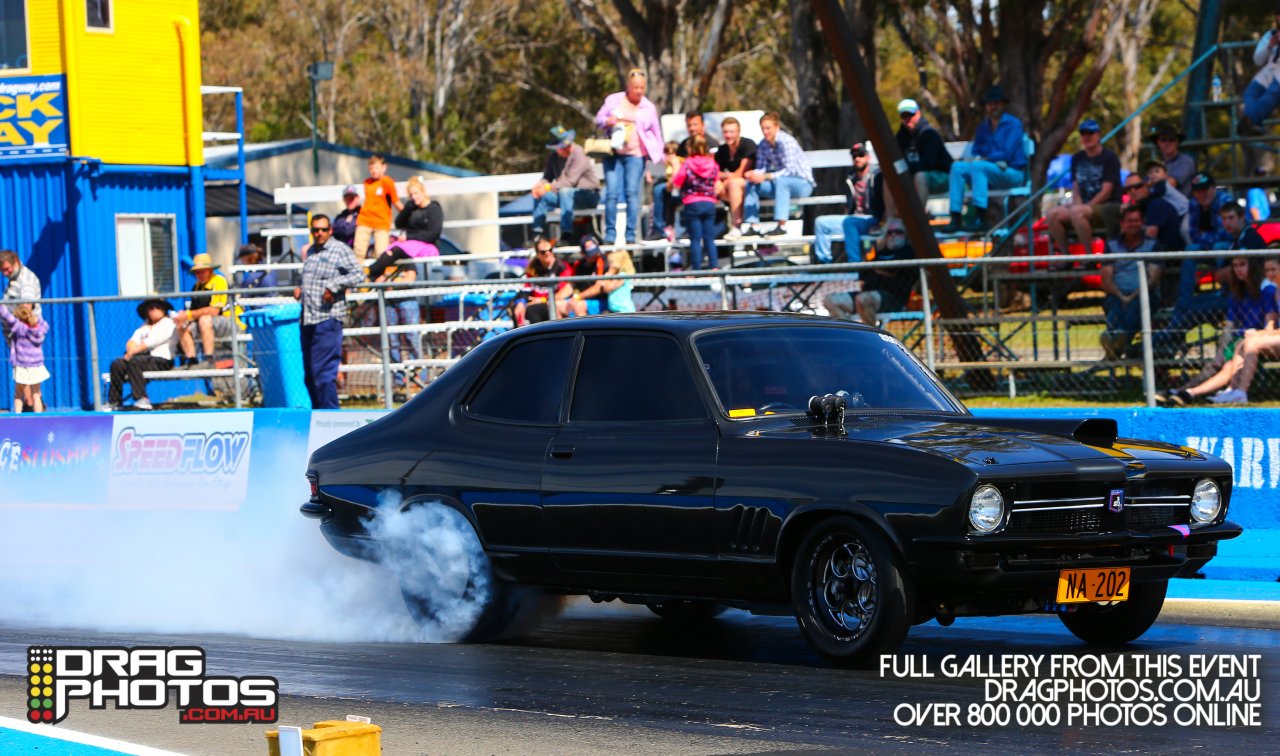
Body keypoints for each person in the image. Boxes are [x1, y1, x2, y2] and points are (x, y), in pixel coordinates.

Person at [1161, 255, 1277, 406]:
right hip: (1240, 340)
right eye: (1235, 266)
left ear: (1254, 267)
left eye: (1242, 264)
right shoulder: (1237, 293)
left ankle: (1190, 393)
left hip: (1256, 340)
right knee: (1214, 364)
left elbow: (1270, 324)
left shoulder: (1267, 290)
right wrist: (1221, 350)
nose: (1238, 270)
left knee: (1228, 367)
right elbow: (1229, 326)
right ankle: (1181, 391)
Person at [1156, 198, 1260, 359]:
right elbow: (1220, 276)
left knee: (1191, 312)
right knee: (1185, 304)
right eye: (1224, 219)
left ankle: (1154, 344)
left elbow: (1242, 274)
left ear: (1242, 218)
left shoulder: (1250, 238)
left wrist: (1229, 272)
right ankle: (1165, 345)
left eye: (1231, 218)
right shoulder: (1235, 242)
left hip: (1243, 299)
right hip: (1229, 295)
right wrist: (1229, 272)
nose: (1227, 223)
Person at [293, 214, 365, 409]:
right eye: (315, 230)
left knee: (323, 374)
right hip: (308, 318)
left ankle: (330, 417)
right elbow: (310, 278)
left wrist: (333, 286)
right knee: (309, 374)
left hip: (328, 318)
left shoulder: (339, 249)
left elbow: (358, 274)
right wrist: (300, 287)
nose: (319, 233)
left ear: (330, 230)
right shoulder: (310, 252)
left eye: (323, 229)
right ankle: (318, 416)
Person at [943, 85, 1027, 233]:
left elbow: (1008, 153)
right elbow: (977, 150)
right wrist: (988, 159)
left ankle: (981, 217)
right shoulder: (983, 127)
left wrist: (988, 158)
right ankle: (955, 217)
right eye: (989, 104)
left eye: (996, 103)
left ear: (1003, 104)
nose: (993, 107)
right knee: (957, 167)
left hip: (1011, 172)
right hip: (988, 172)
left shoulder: (1013, 124)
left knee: (978, 166)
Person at [595, 68, 664, 245]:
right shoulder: (613, 100)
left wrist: (657, 156)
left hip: (635, 155)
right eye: (635, 87)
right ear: (628, 86)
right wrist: (607, 121)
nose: (639, 91)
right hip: (613, 154)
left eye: (642, 88)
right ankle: (610, 234)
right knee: (611, 193)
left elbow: (656, 132)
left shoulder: (648, 107)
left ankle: (630, 234)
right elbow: (599, 119)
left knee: (632, 193)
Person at [1046, 118, 1121, 257]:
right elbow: (1076, 187)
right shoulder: (1077, 158)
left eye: (1090, 133)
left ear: (1098, 135)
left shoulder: (1109, 157)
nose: (1087, 137)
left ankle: (1088, 256)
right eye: (1083, 133)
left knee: (1077, 212)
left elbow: (1107, 191)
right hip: (1082, 207)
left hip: (1106, 206)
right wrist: (1077, 205)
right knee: (1052, 214)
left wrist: (1086, 207)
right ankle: (1066, 257)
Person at [1209, 257, 1280, 403]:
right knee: (1246, 340)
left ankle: (1240, 391)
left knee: (1252, 340)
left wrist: (1261, 333)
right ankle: (1234, 390)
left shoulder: (1271, 291)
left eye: (1274, 270)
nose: (1270, 274)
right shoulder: (1276, 291)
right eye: (1267, 270)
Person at [822, 219, 916, 326]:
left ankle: (872, 338)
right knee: (830, 300)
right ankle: (851, 334)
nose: (893, 235)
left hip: (893, 299)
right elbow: (863, 272)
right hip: (866, 295)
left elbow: (891, 269)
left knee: (864, 299)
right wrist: (879, 271)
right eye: (890, 232)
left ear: (906, 234)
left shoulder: (909, 252)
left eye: (898, 232)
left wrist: (876, 270)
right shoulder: (881, 253)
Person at [1099, 205, 1162, 361]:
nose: (1133, 224)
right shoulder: (1112, 246)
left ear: (1142, 223)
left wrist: (1132, 295)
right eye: (1129, 221)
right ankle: (1117, 340)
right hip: (1117, 293)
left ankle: (1116, 344)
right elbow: (1106, 277)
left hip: (1144, 294)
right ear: (1122, 224)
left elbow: (1153, 278)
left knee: (1137, 305)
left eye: (1136, 220)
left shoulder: (1153, 245)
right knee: (1114, 305)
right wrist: (1121, 296)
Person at [743, 112, 815, 236]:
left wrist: (766, 176)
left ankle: (781, 226)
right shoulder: (763, 144)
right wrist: (753, 174)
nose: (765, 131)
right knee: (752, 183)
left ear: (776, 127)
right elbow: (761, 168)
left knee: (781, 181)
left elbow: (790, 170)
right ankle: (753, 225)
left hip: (802, 183)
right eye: (763, 128)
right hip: (780, 185)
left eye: (768, 128)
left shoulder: (787, 141)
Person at [884, 99, 953, 223]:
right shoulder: (901, 137)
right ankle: (891, 222)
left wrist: (903, 169)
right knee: (888, 177)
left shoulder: (929, 134)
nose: (907, 119)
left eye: (910, 115)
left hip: (942, 177)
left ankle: (918, 221)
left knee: (920, 176)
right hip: (914, 177)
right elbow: (894, 160)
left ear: (918, 114)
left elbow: (927, 164)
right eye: (903, 116)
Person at [173, 253, 245, 370]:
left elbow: (214, 311)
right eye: (197, 272)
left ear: (210, 270)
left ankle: (209, 359)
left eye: (203, 271)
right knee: (181, 324)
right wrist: (182, 317)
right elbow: (193, 311)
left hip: (229, 321)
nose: (200, 274)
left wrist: (189, 314)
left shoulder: (219, 281)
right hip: (206, 325)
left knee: (204, 319)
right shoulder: (196, 287)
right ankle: (192, 360)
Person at [531, 126, 602, 242]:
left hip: (588, 195)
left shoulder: (579, 153)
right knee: (542, 195)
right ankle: (537, 234)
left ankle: (566, 234)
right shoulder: (553, 158)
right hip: (567, 198)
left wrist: (547, 187)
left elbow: (570, 181)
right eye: (563, 146)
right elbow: (547, 177)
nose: (567, 148)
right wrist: (539, 186)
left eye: (568, 144)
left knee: (565, 191)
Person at [367, 176, 444, 281]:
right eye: (411, 195)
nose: (414, 197)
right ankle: (376, 277)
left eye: (416, 193)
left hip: (426, 246)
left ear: (423, 191)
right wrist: (408, 207)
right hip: (408, 247)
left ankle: (371, 271)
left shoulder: (434, 209)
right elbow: (399, 223)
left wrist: (408, 236)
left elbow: (432, 234)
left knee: (396, 250)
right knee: (391, 250)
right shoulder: (412, 208)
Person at [106, 299, 178, 412]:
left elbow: (153, 341)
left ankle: (142, 398)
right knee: (117, 364)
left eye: (157, 307)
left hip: (162, 360)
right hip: (139, 359)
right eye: (150, 308)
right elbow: (131, 342)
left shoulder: (168, 323)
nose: (154, 310)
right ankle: (115, 401)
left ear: (164, 310)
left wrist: (132, 353)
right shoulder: (143, 327)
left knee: (135, 362)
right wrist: (130, 351)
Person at [812, 143, 878, 264]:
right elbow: (849, 205)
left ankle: (855, 267)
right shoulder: (850, 177)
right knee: (821, 223)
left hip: (873, 219)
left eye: (861, 155)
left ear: (868, 157)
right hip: (854, 219)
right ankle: (824, 264)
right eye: (854, 156)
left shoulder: (877, 176)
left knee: (850, 223)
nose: (857, 159)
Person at [672, 135, 720, 270]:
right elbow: (716, 182)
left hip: (692, 203)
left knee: (695, 239)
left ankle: (696, 268)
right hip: (709, 203)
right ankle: (714, 266)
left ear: (690, 148)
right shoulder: (713, 163)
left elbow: (678, 181)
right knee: (710, 238)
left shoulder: (687, 163)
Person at [512, 237, 584, 326]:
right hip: (534, 302)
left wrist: (543, 300)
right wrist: (521, 302)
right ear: (538, 254)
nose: (547, 253)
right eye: (543, 252)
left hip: (551, 303)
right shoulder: (533, 269)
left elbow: (566, 291)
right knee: (517, 308)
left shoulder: (562, 267)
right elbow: (526, 290)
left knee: (535, 309)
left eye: (550, 250)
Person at [353, 155, 404, 259]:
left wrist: (408, 215)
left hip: (381, 222)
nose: (373, 171)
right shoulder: (367, 182)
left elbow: (396, 201)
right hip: (365, 220)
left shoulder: (387, 182)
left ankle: (378, 273)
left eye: (376, 168)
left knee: (381, 252)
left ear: (384, 167)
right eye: (371, 168)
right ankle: (358, 272)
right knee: (359, 250)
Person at [0, 303, 48, 412]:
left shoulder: (20, 328)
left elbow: (8, 317)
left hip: (22, 365)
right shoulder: (39, 330)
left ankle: (17, 416)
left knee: (18, 393)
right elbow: (44, 324)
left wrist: (1, 307)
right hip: (36, 365)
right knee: (36, 394)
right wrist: (36, 316)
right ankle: (38, 418)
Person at [716, 117, 757, 239]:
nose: (728, 135)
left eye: (732, 132)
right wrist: (720, 181)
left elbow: (742, 172)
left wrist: (724, 179)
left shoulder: (748, 145)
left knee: (734, 183)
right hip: (729, 190)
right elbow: (714, 173)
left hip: (750, 187)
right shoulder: (722, 150)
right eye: (725, 132)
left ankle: (737, 226)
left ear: (739, 131)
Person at [1241, 12, 1280, 136]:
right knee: (1250, 92)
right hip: (1269, 72)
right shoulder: (1270, 34)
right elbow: (1257, 60)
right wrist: (1270, 46)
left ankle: (1249, 122)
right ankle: (1252, 124)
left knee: (1273, 92)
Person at [0, 250, 42, 341]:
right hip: (17, 335)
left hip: (25, 336)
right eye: (2, 270)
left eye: (7, 269)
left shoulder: (26, 280)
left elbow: (25, 311)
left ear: (16, 262)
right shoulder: (15, 279)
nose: (4, 274)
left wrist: (4, 313)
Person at [648, 140, 683, 241]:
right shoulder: (667, 164)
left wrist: (675, 164)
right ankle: (661, 227)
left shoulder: (678, 161)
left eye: (672, 153)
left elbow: (676, 179)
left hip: (679, 190)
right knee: (658, 191)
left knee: (659, 190)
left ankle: (660, 227)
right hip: (671, 191)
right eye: (667, 153)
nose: (669, 156)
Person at [1187, 173, 1233, 251]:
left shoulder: (1225, 201)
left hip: (1228, 244)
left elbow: (1225, 234)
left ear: (1214, 188)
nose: (1202, 195)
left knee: (1219, 247)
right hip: (1203, 245)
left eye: (1205, 190)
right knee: (1190, 248)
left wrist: (1203, 234)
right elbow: (1193, 234)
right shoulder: (1193, 203)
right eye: (1198, 191)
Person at [1146, 122, 1195, 194]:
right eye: (1163, 140)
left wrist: (1150, 184)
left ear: (1177, 142)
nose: (1167, 143)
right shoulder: (1158, 164)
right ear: (1158, 143)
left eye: (1171, 139)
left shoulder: (1186, 161)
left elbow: (1170, 184)